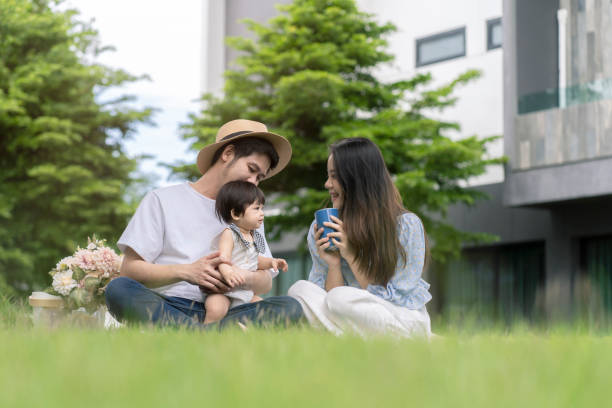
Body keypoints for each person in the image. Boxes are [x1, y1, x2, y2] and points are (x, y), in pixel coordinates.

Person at [105, 119, 303, 329]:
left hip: (228, 309)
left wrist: (241, 277)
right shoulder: (161, 200)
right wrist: (187, 272)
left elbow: (265, 282)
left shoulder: (251, 213)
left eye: (259, 178)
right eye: (251, 169)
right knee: (119, 289)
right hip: (169, 305)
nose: (253, 182)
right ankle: (212, 335)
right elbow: (129, 270)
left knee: (290, 307)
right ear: (228, 153)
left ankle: (191, 334)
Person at [288, 138, 432, 338]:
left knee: (341, 298)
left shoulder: (406, 226)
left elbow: (398, 298)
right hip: (348, 314)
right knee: (300, 289)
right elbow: (327, 300)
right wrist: (334, 263)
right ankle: (353, 340)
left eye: (334, 176)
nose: (327, 184)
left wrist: (351, 255)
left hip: (400, 316)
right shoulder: (324, 228)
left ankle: (415, 339)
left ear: (358, 180)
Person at [205, 180, 288, 324]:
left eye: (262, 208)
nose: (262, 213)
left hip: (245, 292)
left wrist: (271, 262)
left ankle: (244, 333)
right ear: (236, 213)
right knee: (216, 309)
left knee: (264, 308)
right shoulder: (229, 233)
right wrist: (229, 273)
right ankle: (205, 332)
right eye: (256, 209)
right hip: (225, 291)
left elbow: (256, 260)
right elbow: (222, 259)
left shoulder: (254, 236)